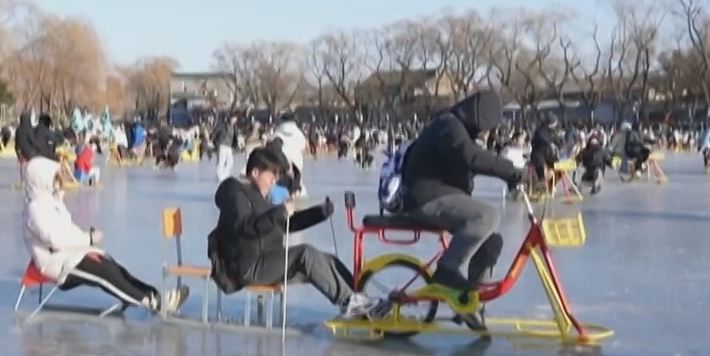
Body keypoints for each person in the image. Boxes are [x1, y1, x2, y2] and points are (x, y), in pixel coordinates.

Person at [210, 147, 379, 319]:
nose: (274, 181)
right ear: (255, 172)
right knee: (306, 254)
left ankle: (359, 299)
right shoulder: (236, 193)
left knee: (328, 260)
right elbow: (244, 227)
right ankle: (348, 302)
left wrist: (319, 213)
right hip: (247, 267)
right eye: (272, 175)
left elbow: (287, 224)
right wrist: (279, 213)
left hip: (268, 260)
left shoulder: (262, 199)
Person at [22, 156, 185, 316]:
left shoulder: (52, 202)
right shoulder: (36, 209)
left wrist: (87, 239)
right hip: (57, 264)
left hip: (71, 255)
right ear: (41, 181)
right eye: (54, 179)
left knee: (113, 267)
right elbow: (56, 239)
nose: (58, 182)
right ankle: (153, 304)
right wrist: (89, 239)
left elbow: (68, 230)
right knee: (104, 274)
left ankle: (154, 295)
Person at [398, 88, 522, 295]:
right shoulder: (448, 126)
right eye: (486, 128)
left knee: (490, 242)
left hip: (440, 195)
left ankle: (471, 301)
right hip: (424, 199)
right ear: (477, 117)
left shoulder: (459, 130)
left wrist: (508, 178)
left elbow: (474, 162)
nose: (487, 133)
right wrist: (513, 172)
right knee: (487, 215)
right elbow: (471, 157)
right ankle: (447, 270)